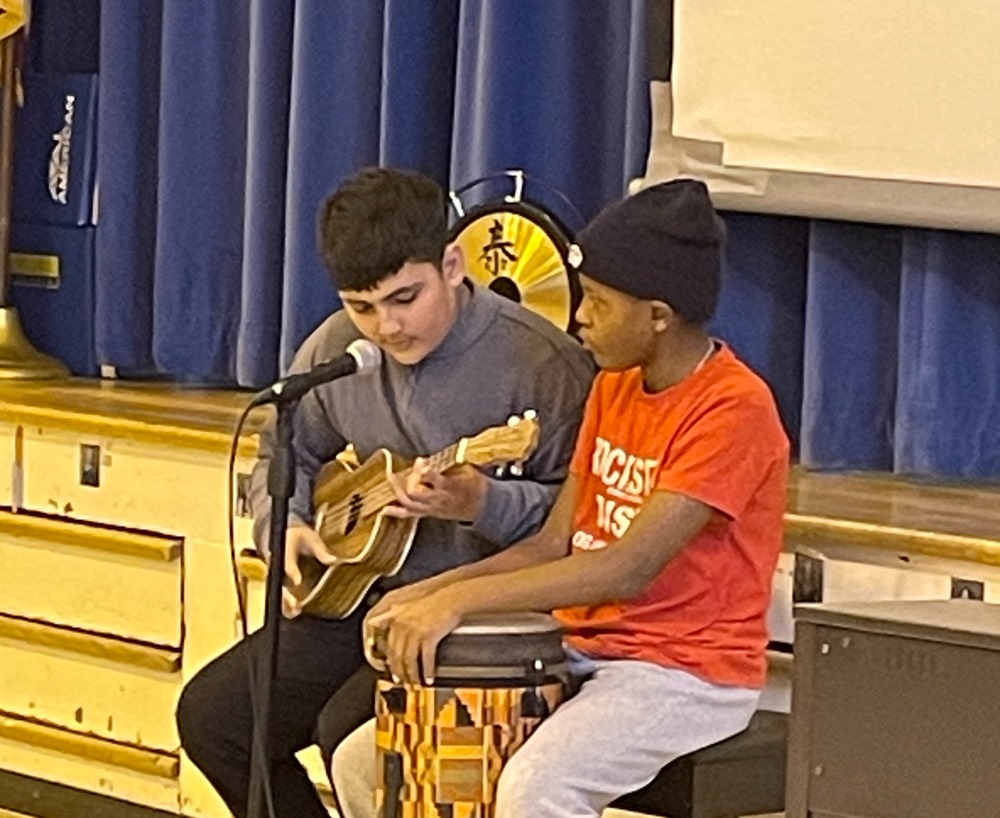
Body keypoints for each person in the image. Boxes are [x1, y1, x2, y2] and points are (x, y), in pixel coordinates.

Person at [331, 178, 790, 818]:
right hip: (577, 646)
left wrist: (455, 600)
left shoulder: (733, 409)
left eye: (598, 303)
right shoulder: (615, 386)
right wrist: (427, 594)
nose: (579, 318)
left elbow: (624, 568)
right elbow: (554, 542)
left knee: (535, 791)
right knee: (368, 764)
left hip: (685, 673)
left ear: (658, 315)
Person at [175, 167, 596, 818]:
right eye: (362, 306)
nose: (387, 327)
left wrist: (483, 503)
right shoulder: (338, 349)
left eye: (406, 298)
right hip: (357, 597)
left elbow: (578, 524)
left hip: (472, 613)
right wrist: (282, 523)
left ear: (452, 264)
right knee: (216, 719)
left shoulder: (541, 364)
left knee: (347, 735)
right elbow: (286, 451)